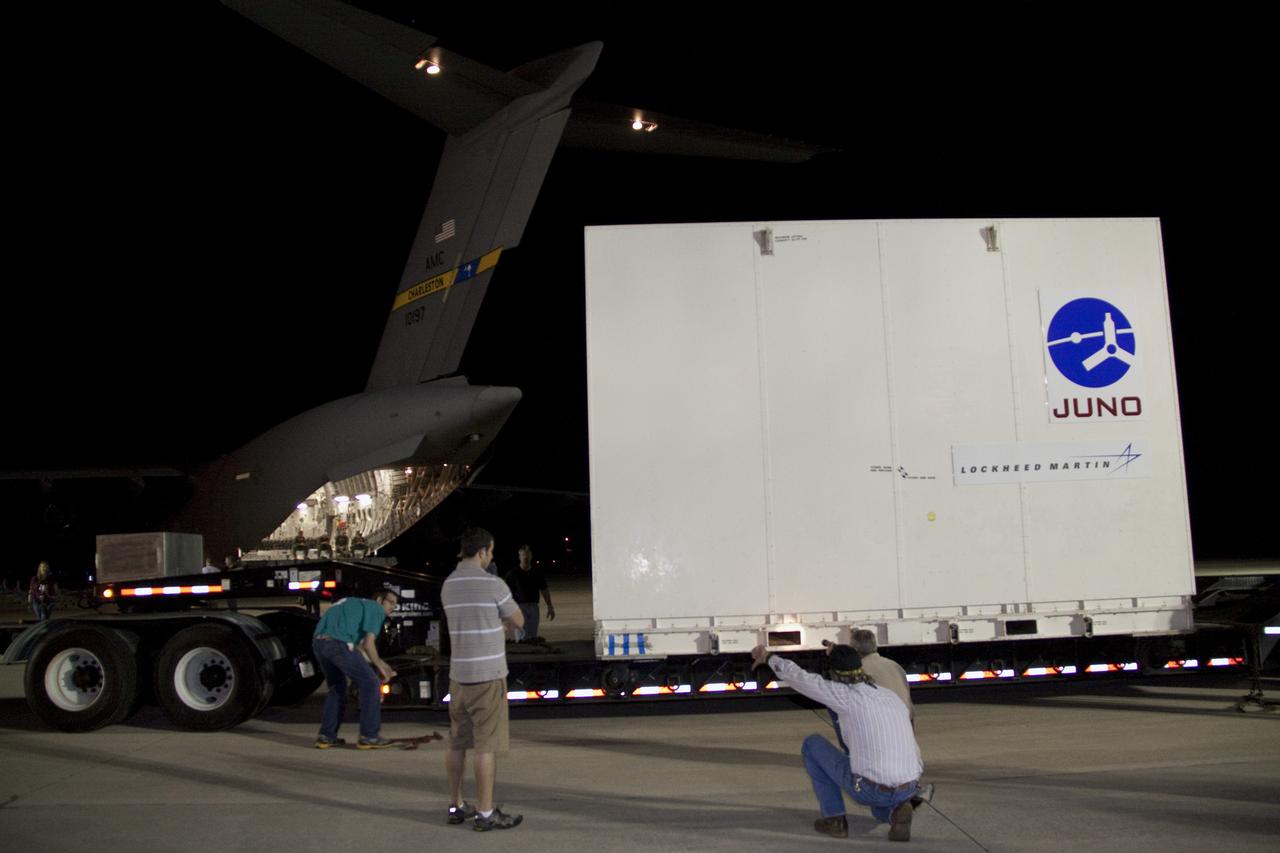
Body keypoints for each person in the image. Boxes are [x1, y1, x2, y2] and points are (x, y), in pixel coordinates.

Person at [752, 643, 922, 842]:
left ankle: (835, 820)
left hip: (871, 789)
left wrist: (768, 657)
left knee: (812, 745)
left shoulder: (845, 696)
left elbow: (799, 677)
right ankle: (896, 812)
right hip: (909, 785)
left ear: (834, 673)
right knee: (879, 808)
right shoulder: (889, 696)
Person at [442, 528, 525, 831]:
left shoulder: (448, 585)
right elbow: (518, 620)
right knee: (484, 746)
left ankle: (455, 805)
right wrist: (500, 626)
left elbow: (467, 620)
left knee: (456, 743)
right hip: (487, 678)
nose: (491, 557)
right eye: (490, 552)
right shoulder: (493, 584)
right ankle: (486, 813)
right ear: (482, 552)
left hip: (458, 677)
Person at [312, 589, 399, 749]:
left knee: (337, 688)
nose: (393, 607)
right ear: (380, 599)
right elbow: (368, 644)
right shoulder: (375, 608)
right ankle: (369, 736)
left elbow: (358, 649)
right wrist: (380, 667)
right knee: (371, 684)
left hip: (320, 643)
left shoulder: (354, 604)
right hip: (339, 644)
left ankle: (326, 736)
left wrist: (380, 665)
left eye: (395, 604)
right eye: (391, 602)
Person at [503, 545, 554, 642]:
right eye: (523, 555)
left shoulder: (537, 573)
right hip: (519, 608)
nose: (525, 558)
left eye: (527, 555)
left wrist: (550, 606)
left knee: (532, 637)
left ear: (531, 556)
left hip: (534, 608)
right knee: (521, 638)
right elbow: (506, 593)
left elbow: (544, 589)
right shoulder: (513, 574)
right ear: (519, 557)